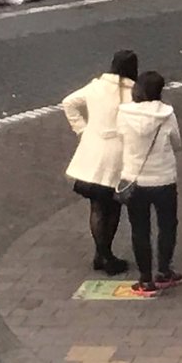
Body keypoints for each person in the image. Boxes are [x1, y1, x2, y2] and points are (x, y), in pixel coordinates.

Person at [62, 50, 138, 275]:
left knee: (96, 206)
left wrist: (82, 130)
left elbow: (69, 103)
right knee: (113, 206)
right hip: (117, 155)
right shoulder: (133, 92)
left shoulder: (95, 87)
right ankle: (106, 254)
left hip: (92, 152)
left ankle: (101, 253)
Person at [116, 71, 182, 294]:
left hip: (134, 178)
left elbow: (120, 137)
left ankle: (145, 279)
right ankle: (164, 271)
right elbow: (177, 142)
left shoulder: (124, 113)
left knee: (139, 229)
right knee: (167, 225)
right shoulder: (167, 114)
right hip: (164, 178)